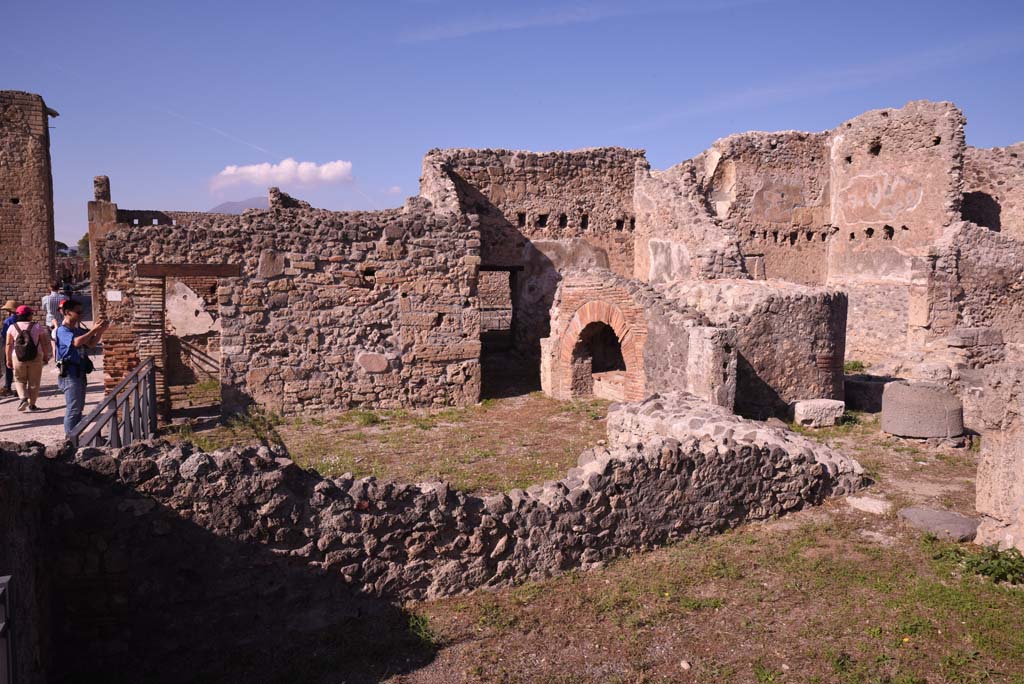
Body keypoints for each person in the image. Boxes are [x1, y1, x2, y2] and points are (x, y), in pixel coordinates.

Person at [55, 299, 109, 436]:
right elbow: (76, 342)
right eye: (78, 312)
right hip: (69, 374)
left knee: (78, 407)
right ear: (67, 313)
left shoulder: (77, 329)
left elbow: (90, 344)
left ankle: (76, 435)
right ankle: (70, 438)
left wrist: (99, 332)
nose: (81, 315)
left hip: (79, 372)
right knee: (73, 408)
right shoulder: (62, 330)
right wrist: (93, 330)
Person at [5, 305, 52, 412]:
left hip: (17, 357)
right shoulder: (37, 326)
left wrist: (8, 359)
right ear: (29, 315)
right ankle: (32, 405)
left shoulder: (12, 327)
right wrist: (45, 355)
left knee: (19, 379)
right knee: (34, 381)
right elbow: (44, 342)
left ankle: (23, 398)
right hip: (36, 356)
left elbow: (8, 344)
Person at [0, 300, 16, 397]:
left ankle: (8, 386)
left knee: (8, 366)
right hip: (20, 347)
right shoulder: (21, 319)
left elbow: (4, 335)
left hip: (9, 345)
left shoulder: (8, 321)